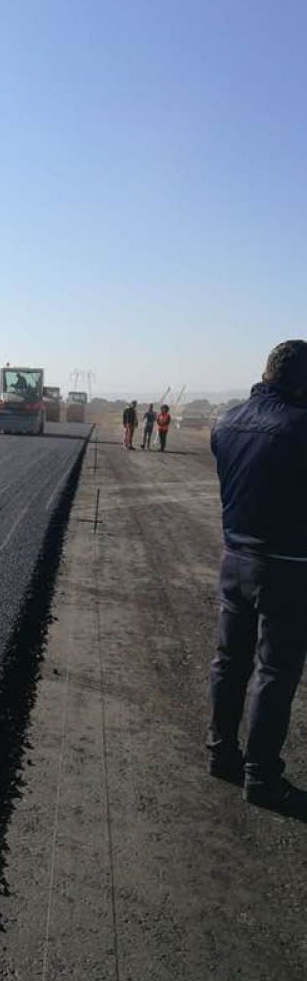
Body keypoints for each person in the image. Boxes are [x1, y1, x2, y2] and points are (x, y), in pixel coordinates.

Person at [207, 340, 307, 813]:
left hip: (235, 559)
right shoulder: (300, 426)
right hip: (288, 568)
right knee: (274, 672)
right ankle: (262, 776)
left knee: (230, 661)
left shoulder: (226, 423)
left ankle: (221, 752)